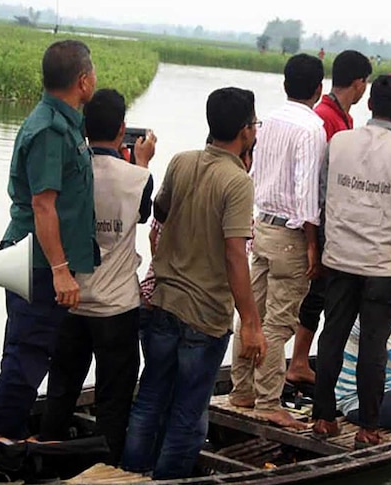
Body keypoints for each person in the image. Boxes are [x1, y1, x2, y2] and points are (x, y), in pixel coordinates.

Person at [122, 87, 267, 480]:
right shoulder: (238, 182)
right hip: (204, 317)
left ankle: (132, 474)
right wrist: (251, 324)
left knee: (150, 398)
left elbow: (161, 213)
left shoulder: (182, 161)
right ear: (244, 132)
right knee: (188, 413)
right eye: (254, 124)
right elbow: (235, 255)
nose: (254, 130)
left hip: (163, 303)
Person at [0, 39, 99, 439]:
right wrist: (61, 271)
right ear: (82, 81)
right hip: (36, 262)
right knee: (28, 355)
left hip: (37, 259)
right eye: (93, 72)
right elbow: (43, 206)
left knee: (25, 352)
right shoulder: (49, 130)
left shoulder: (64, 123)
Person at [38, 89, 157, 464]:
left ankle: (47, 456)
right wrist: (141, 162)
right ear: (123, 129)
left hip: (70, 299)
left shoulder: (71, 170)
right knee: (114, 397)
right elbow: (140, 217)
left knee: (61, 389)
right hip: (117, 307)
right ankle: (104, 464)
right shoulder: (139, 178)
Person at [312, 74, 391, 448]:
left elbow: (324, 200)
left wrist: (325, 247)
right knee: (374, 347)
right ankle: (369, 428)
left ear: (370, 103)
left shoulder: (338, 142)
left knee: (332, 335)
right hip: (381, 266)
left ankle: (323, 417)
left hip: (340, 258)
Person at [229, 54, 326, 429]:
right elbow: (305, 198)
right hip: (290, 234)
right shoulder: (311, 129)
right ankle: (268, 399)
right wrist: (313, 246)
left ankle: (242, 389)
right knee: (279, 323)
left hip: (262, 227)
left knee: (251, 313)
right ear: (319, 89)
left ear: (286, 84)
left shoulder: (265, 123)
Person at [287, 49, 372, 386]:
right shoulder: (327, 119)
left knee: (322, 294)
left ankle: (299, 359)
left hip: (331, 221)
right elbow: (317, 181)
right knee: (317, 293)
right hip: (321, 221)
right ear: (359, 83)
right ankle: (297, 361)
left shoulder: (341, 118)